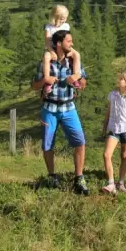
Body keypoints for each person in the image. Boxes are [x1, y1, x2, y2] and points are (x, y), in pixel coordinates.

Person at [32, 29, 90, 195]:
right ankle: (52, 176)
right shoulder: (46, 63)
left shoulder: (73, 62)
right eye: (69, 41)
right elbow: (34, 85)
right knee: (47, 145)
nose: (72, 44)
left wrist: (78, 79)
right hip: (49, 109)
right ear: (58, 44)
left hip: (69, 108)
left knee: (80, 142)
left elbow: (84, 83)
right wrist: (45, 80)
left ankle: (79, 177)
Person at [100, 70, 126, 195]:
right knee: (106, 154)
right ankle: (111, 183)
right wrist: (104, 126)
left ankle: (121, 182)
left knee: (124, 156)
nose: (119, 79)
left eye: (122, 78)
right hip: (113, 128)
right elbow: (108, 111)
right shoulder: (112, 95)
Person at [41, 4, 81, 96]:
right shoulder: (49, 27)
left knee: (76, 55)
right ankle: (47, 79)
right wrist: (51, 51)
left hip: (64, 47)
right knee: (46, 57)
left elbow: (67, 39)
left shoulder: (66, 26)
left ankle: (75, 76)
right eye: (62, 18)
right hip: (52, 47)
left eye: (65, 18)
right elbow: (47, 42)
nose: (64, 20)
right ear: (55, 17)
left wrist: (69, 49)